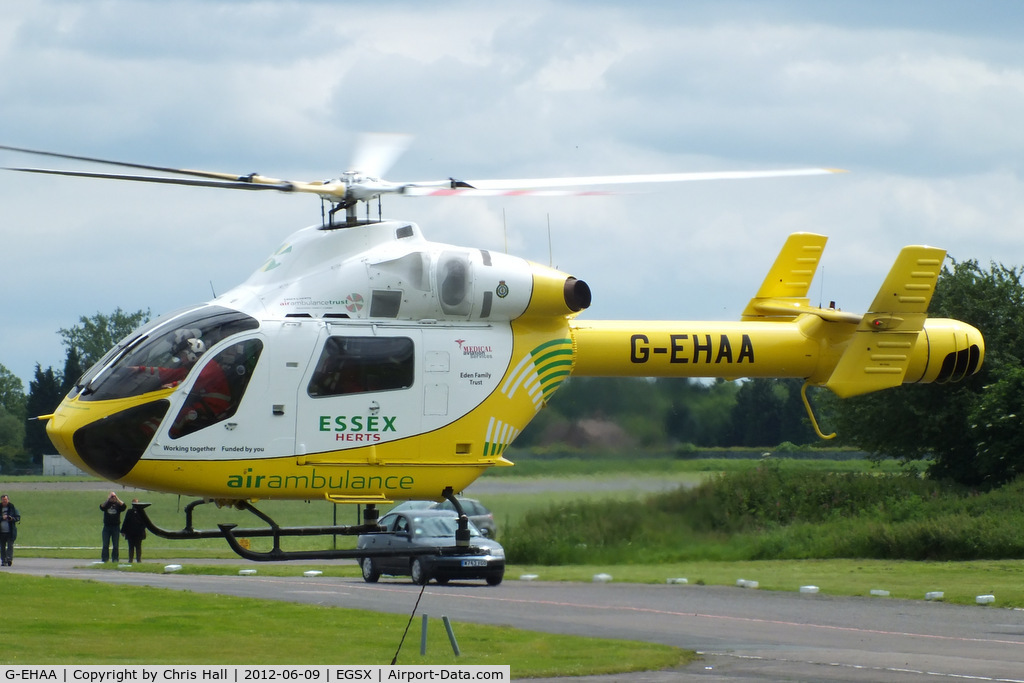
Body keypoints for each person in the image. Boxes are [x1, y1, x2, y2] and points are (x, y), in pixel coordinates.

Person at [100, 492, 127, 562]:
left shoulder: (118, 505)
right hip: (107, 527)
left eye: (114, 497)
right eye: (112, 497)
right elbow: (102, 507)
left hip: (115, 527)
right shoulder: (107, 505)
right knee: (105, 545)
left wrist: (117, 498)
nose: (113, 498)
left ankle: (115, 559)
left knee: (115, 545)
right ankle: (105, 559)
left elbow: (124, 506)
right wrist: (108, 499)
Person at [120, 499, 147, 563]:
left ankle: (139, 560)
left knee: (138, 547)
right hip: (130, 532)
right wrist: (123, 531)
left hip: (139, 532)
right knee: (131, 547)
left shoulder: (142, 512)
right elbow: (126, 521)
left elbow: (145, 522)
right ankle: (130, 560)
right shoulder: (129, 511)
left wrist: (142, 529)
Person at [0, 494, 20, 566]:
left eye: (5, 500)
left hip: (10, 531)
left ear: (8, 500)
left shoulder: (12, 508)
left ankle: (9, 559)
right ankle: (3, 560)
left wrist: (11, 518)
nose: (4, 501)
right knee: (2, 547)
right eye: (3, 500)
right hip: (1, 532)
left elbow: (18, 517)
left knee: (10, 545)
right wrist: (2, 518)